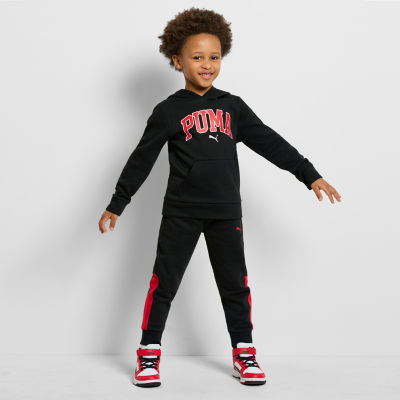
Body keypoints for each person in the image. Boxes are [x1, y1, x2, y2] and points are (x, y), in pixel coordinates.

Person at [98, 7, 342, 388]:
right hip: (181, 212)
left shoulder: (233, 106)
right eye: (197, 57)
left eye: (214, 57)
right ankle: (148, 352)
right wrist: (118, 202)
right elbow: (140, 159)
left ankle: (244, 351)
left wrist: (308, 174)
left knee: (235, 285)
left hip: (226, 213)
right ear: (177, 61)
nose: (207, 65)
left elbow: (269, 142)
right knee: (164, 284)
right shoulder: (168, 111)